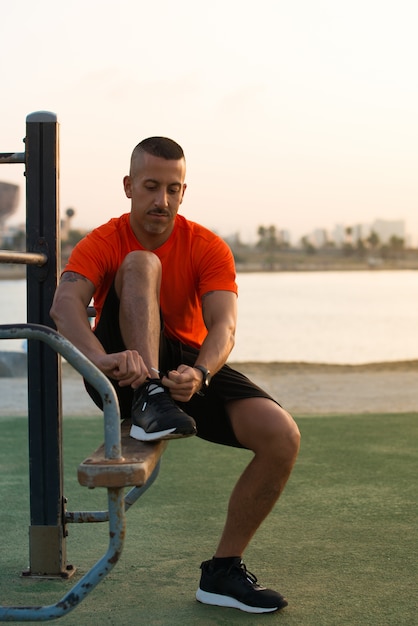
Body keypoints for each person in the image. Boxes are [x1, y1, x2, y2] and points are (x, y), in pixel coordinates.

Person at [50, 137, 300, 614]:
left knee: (281, 435)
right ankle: (147, 399)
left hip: (184, 364)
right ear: (129, 187)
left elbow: (224, 326)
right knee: (143, 262)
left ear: (183, 192)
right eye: (150, 187)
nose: (161, 200)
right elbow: (64, 308)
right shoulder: (103, 240)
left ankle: (223, 572)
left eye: (173, 189)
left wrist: (201, 374)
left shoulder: (206, 246)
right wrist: (100, 361)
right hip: (121, 367)